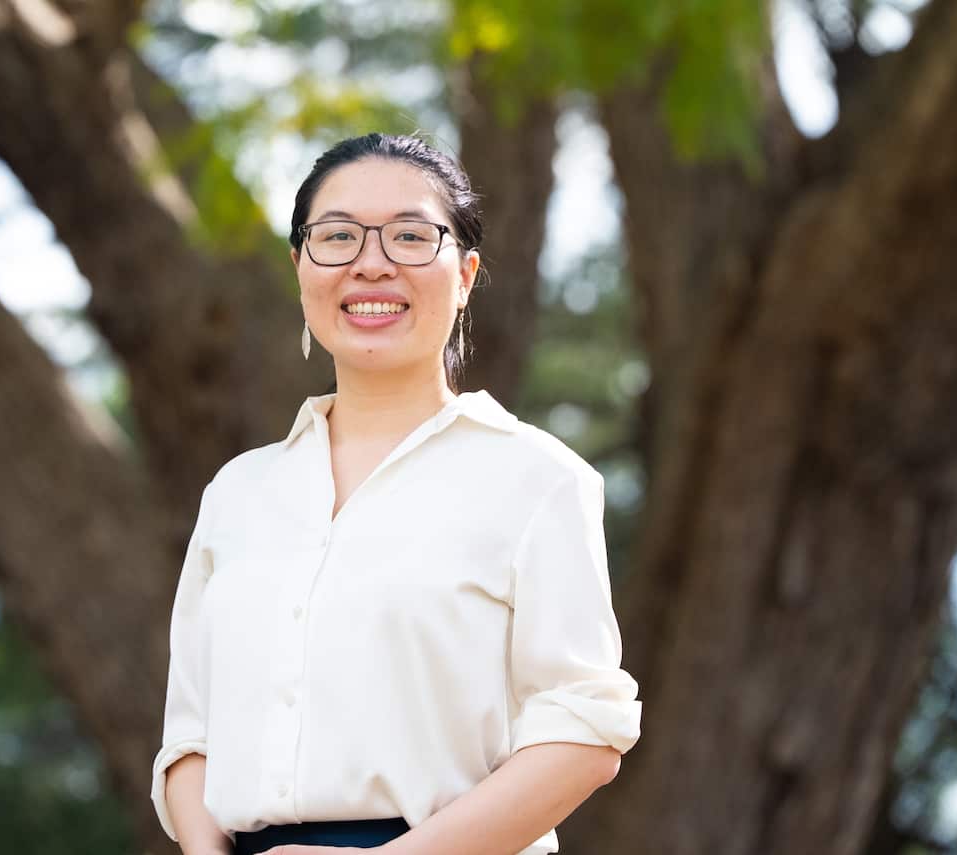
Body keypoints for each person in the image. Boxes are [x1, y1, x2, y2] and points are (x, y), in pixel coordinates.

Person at [151, 133, 642, 855]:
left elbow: (584, 732)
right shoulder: (239, 491)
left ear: (466, 274)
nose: (371, 263)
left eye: (411, 236)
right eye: (338, 236)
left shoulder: (537, 479)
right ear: (300, 268)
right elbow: (190, 735)